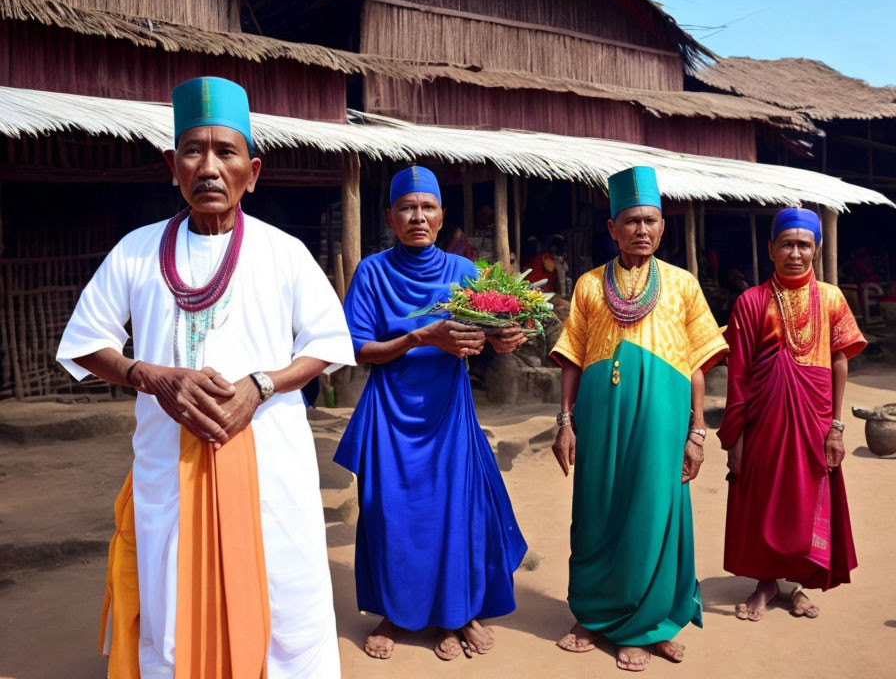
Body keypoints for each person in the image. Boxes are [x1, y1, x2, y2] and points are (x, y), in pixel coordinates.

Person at [56, 77, 354, 678]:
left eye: (227, 152)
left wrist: (261, 385)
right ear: (172, 166)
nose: (210, 167)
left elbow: (326, 342)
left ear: (253, 170)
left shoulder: (284, 253)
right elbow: (87, 343)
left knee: (283, 596)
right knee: (171, 594)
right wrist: (152, 377)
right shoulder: (138, 252)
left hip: (268, 460)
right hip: (171, 459)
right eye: (194, 150)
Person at [334, 166, 528, 662]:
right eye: (407, 207)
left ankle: (455, 612)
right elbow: (357, 350)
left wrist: (503, 339)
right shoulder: (373, 272)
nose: (417, 216)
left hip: (448, 412)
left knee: (454, 513)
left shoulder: (464, 272)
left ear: (442, 217)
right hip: (391, 413)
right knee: (388, 515)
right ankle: (395, 613)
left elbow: (491, 336)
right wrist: (420, 337)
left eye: (427, 207)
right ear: (390, 218)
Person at [549, 166, 727, 672]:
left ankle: (649, 623)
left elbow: (695, 365)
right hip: (600, 418)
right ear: (612, 228)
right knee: (596, 512)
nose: (642, 230)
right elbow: (572, 360)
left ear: (663, 225)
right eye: (631, 221)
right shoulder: (588, 286)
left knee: (656, 512)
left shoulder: (683, 285)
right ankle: (594, 615)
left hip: (663, 417)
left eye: (650, 220)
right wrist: (565, 421)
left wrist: (697, 430)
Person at [718, 207, 865, 621]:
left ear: (816, 250)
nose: (795, 253)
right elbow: (740, 373)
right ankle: (766, 582)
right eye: (787, 244)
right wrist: (737, 437)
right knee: (764, 498)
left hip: (816, 420)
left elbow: (840, 362)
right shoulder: (750, 302)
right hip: (763, 421)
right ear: (771, 249)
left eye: (804, 245)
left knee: (806, 499)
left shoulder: (832, 298)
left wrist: (836, 427)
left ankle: (797, 584)